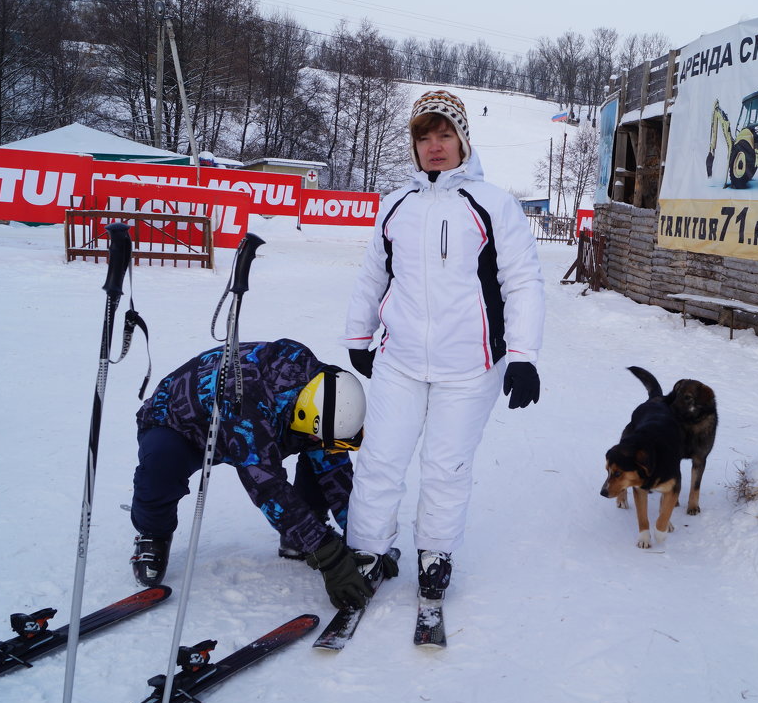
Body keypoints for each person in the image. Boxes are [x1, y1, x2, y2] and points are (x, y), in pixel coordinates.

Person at [343, 89, 544, 608]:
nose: (435, 146)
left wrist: (522, 356)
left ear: (463, 140)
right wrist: (358, 336)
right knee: (380, 460)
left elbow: (521, 281)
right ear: (414, 145)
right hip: (399, 360)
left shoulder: (493, 203)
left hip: (470, 367)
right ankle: (367, 553)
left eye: (445, 134)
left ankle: (435, 555)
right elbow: (373, 275)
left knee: (445, 466)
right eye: (424, 136)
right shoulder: (396, 205)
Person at [128, 338, 391, 610]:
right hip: (182, 425)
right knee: (161, 464)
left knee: (322, 448)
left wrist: (361, 535)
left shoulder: (322, 390)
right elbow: (267, 487)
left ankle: (302, 532)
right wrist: (329, 557)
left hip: (268, 420)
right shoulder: (246, 404)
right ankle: (153, 533)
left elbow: (334, 468)